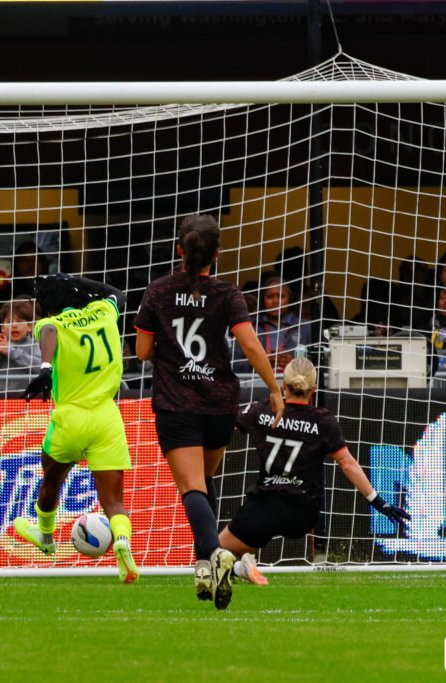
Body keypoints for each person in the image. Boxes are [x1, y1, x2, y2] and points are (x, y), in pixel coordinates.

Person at [134, 214, 284, 610]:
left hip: (177, 404)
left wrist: (171, 349)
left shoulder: (158, 290)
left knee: (192, 488)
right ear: (216, 254)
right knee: (205, 480)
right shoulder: (228, 294)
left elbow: (143, 351)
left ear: (179, 250)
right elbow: (250, 345)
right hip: (219, 405)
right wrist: (274, 388)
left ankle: (216, 554)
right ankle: (203, 566)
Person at [221, 357, 411, 585]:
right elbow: (347, 463)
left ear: (283, 385)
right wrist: (378, 502)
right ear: (314, 389)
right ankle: (251, 561)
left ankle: (240, 567)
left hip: (265, 505)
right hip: (303, 513)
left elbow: (225, 424)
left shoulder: (263, 410)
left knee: (213, 552)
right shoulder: (323, 422)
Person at [12, 273, 140, 584]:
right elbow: (117, 292)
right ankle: (123, 542)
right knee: (114, 501)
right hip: (107, 416)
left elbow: (50, 330)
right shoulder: (104, 310)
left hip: (70, 417)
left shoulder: (50, 323)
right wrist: (76, 283)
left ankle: (45, 535)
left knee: (50, 482)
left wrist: (46, 368)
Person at [234, 275, 310, 374]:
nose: (275, 301)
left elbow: (320, 365)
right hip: (256, 382)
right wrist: (260, 364)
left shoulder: (305, 327)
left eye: (281, 296)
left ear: (289, 299)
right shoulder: (249, 327)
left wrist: (293, 364)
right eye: (270, 297)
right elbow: (234, 364)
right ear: (263, 299)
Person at [0, 298, 41, 372]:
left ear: (30, 326)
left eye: (19, 321)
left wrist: (12, 350)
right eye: (9, 322)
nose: (14, 325)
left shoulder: (35, 343)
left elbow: (40, 368)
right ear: (2, 328)